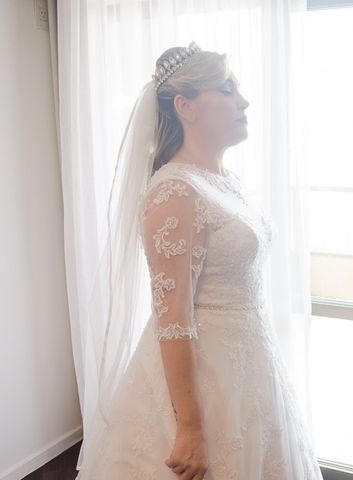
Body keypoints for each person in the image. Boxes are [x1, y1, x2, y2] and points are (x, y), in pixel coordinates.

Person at [76, 42, 322, 480]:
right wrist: (189, 427)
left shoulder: (226, 181)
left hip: (250, 363)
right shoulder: (175, 191)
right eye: (227, 90)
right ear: (185, 106)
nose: (243, 101)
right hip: (204, 377)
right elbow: (173, 318)